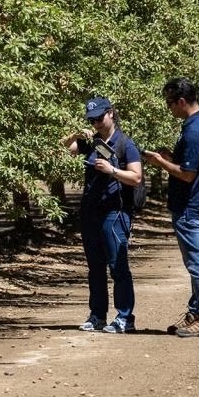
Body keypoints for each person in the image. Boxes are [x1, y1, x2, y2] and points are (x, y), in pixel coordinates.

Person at [143, 77, 199, 337]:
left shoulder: (195, 130)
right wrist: (170, 158)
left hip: (189, 205)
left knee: (196, 262)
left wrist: (159, 162)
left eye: (170, 103)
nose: (169, 108)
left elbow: (187, 174)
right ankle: (196, 312)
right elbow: (191, 166)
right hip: (195, 203)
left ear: (182, 101)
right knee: (195, 261)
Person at [63, 96, 142, 334]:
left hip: (115, 213)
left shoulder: (125, 144)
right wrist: (77, 133)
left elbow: (136, 177)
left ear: (110, 113)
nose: (96, 122)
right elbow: (65, 149)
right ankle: (97, 315)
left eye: (99, 117)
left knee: (118, 266)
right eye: (92, 119)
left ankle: (125, 317)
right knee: (95, 266)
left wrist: (113, 170)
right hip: (91, 212)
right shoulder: (94, 142)